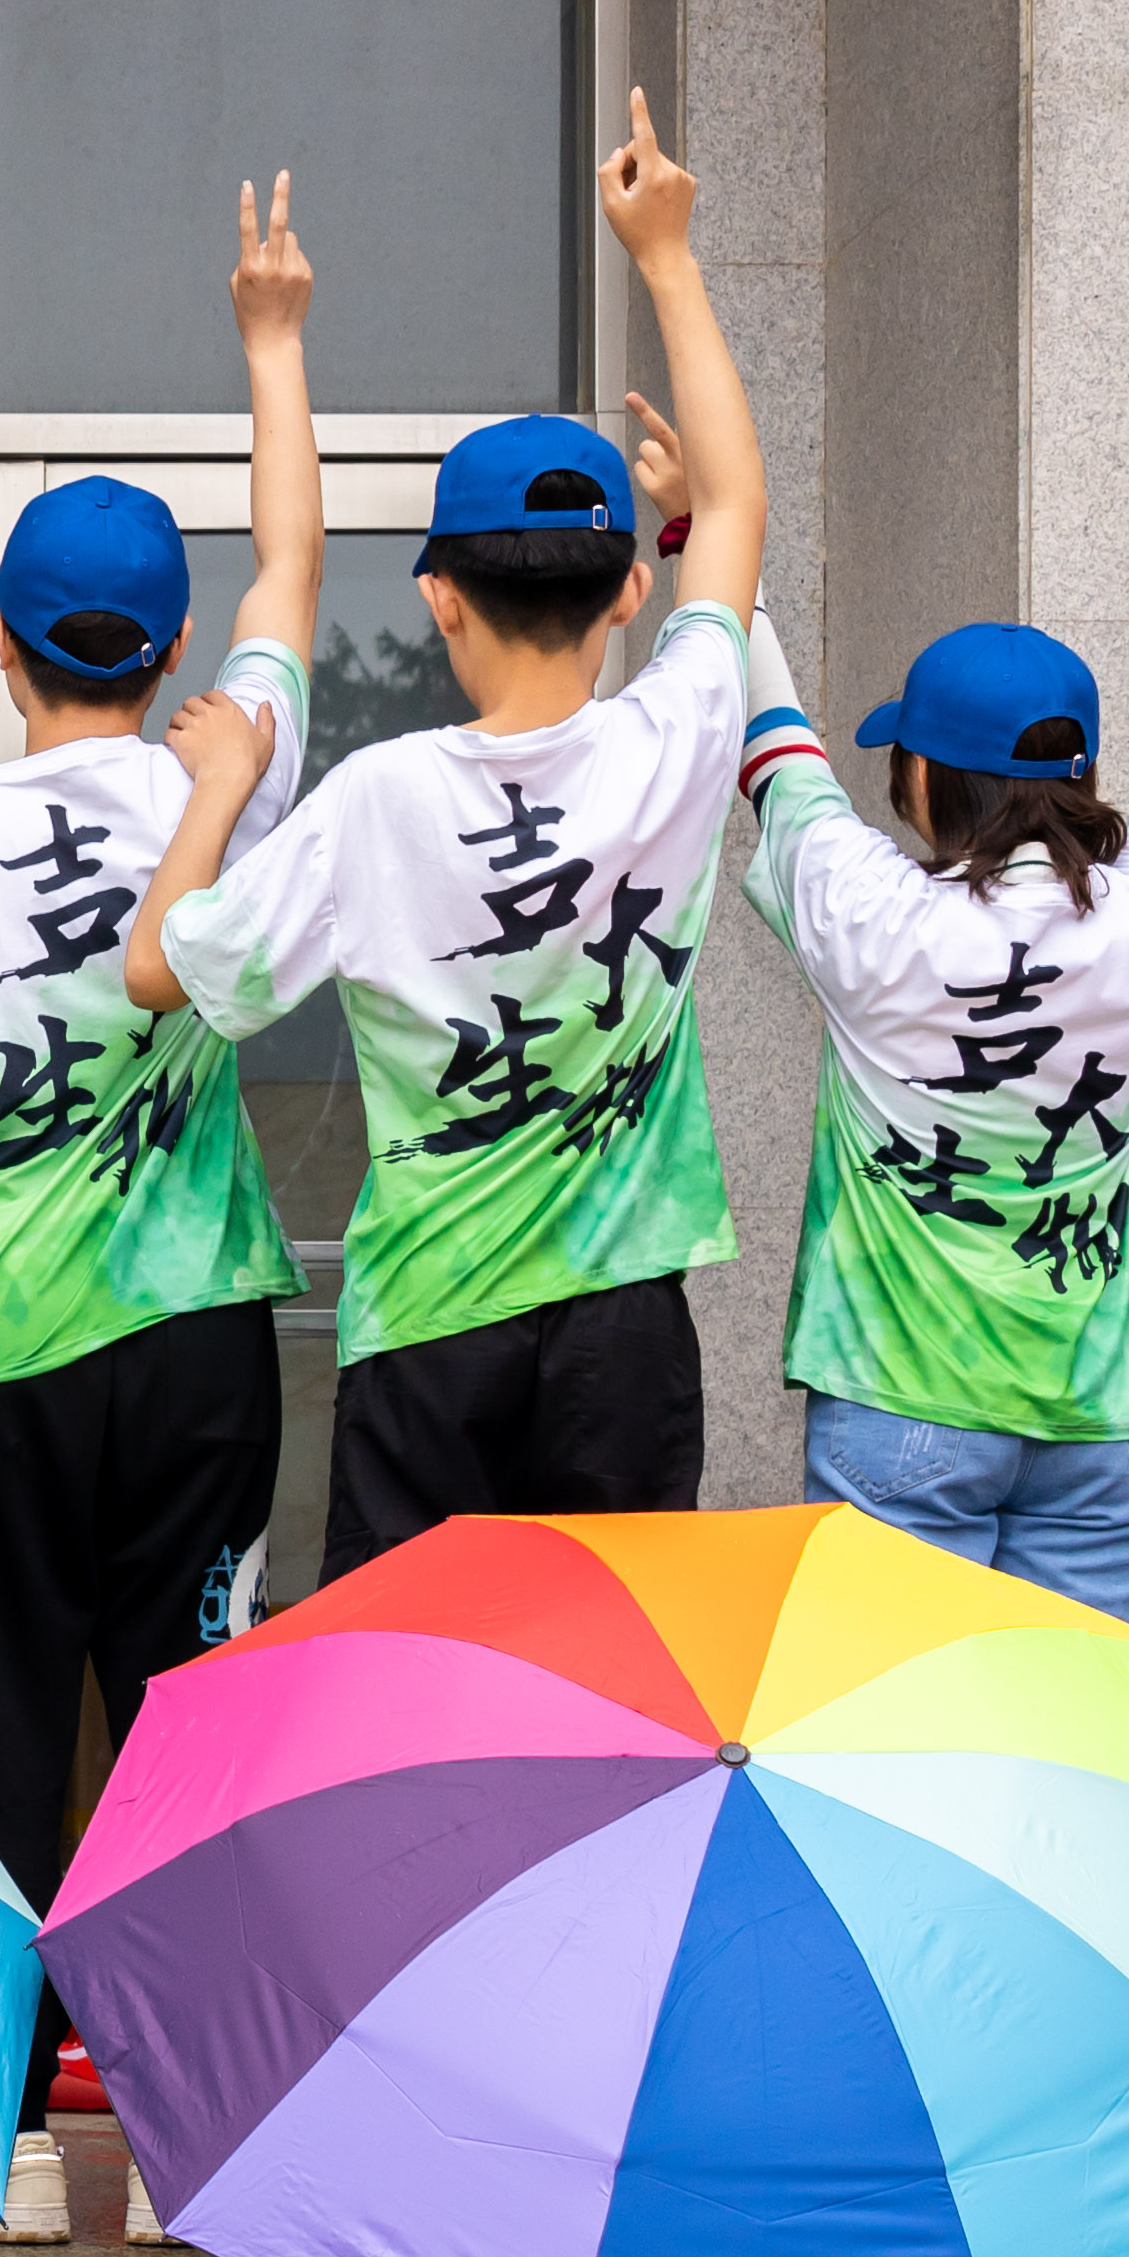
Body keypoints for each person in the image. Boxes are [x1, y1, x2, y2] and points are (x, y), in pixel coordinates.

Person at [0, 180, 323, 2250]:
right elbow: (296, 567)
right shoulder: (234, 788)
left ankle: (6, 2136)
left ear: (3, 646)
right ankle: (194, 2141)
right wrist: (271, 340)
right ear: (169, 649)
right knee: (191, 1730)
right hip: (195, 1349)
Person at [125, 93, 769, 1579]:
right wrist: (664, 254)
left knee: (409, 1680)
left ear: (437, 598)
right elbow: (733, 503)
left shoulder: (378, 797)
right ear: (629, 591)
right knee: (615, 1678)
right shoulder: (675, 738)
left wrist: (219, 784)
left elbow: (161, 973)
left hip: (426, 1326)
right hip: (621, 1324)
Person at [724, 373, 1129, 1620]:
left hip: (899, 1407)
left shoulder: (872, 912)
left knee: (897, 1727)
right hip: (1097, 1426)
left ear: (928, 775)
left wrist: (707, 534)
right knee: (1072, 1731)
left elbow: (766, 732)